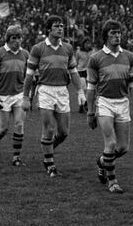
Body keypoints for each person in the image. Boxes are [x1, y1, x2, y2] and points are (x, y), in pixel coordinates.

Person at [21, 15, 85, 177]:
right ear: (49, 29)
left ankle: (48, 148)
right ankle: (50, 164)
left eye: (62, 26)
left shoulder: (68, 48)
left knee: (63, 132)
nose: (60, 29)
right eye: (57, 26)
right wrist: (25, 97)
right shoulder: (38, 48)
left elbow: (74, 72)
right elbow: (29, 75)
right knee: (49, 128)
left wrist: (80, 92)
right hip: (45, 91)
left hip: (62, 91)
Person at [88, 20, 133, 194]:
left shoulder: (130, 56)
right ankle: (112, 181)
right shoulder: (96, 58)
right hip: (104, 102)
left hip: (122, 102)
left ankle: (102, 161)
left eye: (119, 32)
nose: (117, 35)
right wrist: (90, 111)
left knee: (123, 148)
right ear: (106, 36)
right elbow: (91, 87)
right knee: (110, 143)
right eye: (113, 33)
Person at [0, 25, 30, 165]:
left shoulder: (25, 54)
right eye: (14, 38)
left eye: (19, 37)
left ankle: (16, 157)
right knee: (3, 129)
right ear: (8, 39)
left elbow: (29, 77)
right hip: (3, 95)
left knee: (19, 124)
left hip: (19, 94)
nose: (17, 41)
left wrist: (28, 95)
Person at [75, 37, 93, 113]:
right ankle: (81, 104)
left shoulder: (92, 51)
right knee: (83, 88)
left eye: (89, 43)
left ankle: (86, 103)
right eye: (86, 43)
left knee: (89, 89)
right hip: (80, 71)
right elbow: (76, 61)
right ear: (83, 44)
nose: (88, 45)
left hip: (89, 71)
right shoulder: (78, 52)